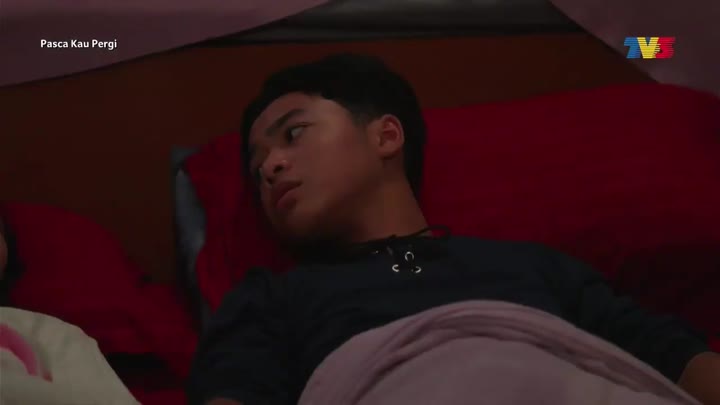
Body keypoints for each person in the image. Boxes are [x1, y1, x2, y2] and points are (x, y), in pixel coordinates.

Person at [187, 54, 719, 405]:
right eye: (257, 166)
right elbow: (236, 386)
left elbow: (671, 356)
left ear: (386, 136)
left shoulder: (532, 265)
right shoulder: (273, 297)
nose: (271, 166)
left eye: (293, 134)